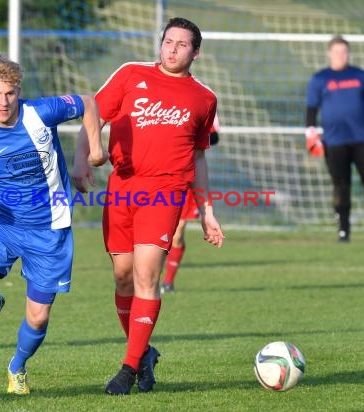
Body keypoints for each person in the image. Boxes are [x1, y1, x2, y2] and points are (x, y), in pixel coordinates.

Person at [73, 17, 225, 395]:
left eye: (182, 44)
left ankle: (127, 369)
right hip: (122, 188)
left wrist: (206, 211)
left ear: (196, 52)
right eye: (168, 41)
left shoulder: (203, 98)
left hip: (166, 191)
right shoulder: (130, 74)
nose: (172, 49)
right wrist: (81, 160)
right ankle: (144, 353)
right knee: (123, 277)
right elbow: (93, 112)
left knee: (145, 276)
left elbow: (200, 157)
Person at [0, 54, 106, 395]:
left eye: (9, 93)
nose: (3, 101)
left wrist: (91, 154)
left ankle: (17, 368)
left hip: (49, 228)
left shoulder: (41, 111)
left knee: (38, 317)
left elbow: (87, 102)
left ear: (18, 91)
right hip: (3, 224)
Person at [305, 35, 364, 243]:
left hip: (362, 140)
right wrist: (311, 135)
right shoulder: (320, 78)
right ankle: (343, 232)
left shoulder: (361, 76)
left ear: (348, 53)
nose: (340, 55)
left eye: (344, 51)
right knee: (341, 185)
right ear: (329, 53)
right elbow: (311, 109)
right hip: (334, 142)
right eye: (336, 51)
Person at [160, 115, 220, 294]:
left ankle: (168, 282)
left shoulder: (202, 99)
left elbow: (214, 137)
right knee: (156, 231)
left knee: (176, 233)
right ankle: (147, 278)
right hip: (160, 175)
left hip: (187, 177)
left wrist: (187, 136)